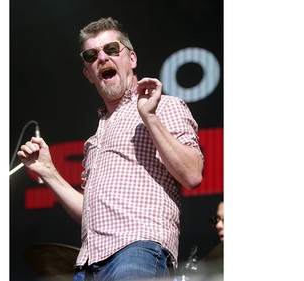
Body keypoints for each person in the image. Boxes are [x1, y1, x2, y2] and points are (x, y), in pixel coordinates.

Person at [17, 17, 204, 281]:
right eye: (92, 55)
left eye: (112, 50)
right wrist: (47, 172)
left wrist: (149, 116)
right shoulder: (96, 137)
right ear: (88, 73)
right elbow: (90, 213)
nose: (102, 58)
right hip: (88, 264)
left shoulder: (164, 106)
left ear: (132, 59)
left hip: (138, 249)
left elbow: (193, 174)